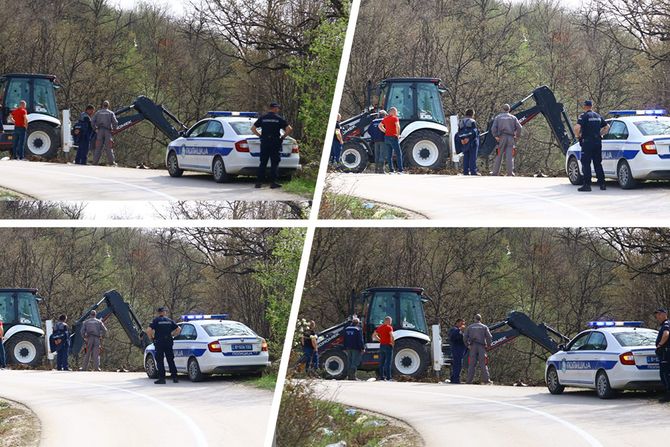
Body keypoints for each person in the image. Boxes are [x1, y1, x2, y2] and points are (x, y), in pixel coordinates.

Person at [252, 102, 293, 189]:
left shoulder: (263, 118)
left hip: (265, 142)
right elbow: (289, 129)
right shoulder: (278, 119)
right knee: (274, 163)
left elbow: (253, 128)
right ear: (274, 108)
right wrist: (283, 137)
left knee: (263, 162)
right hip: (275, 142)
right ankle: (273, 183)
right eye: (277, 108)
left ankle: (258, 183)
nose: (278, 110)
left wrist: (260, 136)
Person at [574, 100, 609, 192]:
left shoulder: (583, 116)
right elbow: (607, 127)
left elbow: (577, 128)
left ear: (585, 107)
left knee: (586, 163)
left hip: (587, 143)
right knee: (598, 163)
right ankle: (602, 184)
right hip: (597, 142)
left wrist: (578, 136)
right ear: (592, 106)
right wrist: (600, 134)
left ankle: (587, 185)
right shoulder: (598, 116)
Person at [146, 306, 181, 384]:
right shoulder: (170, 321)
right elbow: (179, 329)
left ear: (159, 313)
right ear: (165, 312)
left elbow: (148, 330)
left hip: (159, 342)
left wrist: (152, 338)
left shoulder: (156, 321)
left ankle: (162, 379)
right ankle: (175, 377)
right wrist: (173, 336)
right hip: (168, 342)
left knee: (160, 360)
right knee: (170, 360)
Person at [491, 104, 522, 176]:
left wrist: (495, 136)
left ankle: (495, 173)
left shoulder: (498, 117)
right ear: (509, 109)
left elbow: (493, 128)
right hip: (510, 138)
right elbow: (519, 127)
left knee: (499, 154)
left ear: (502, 109)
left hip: (501, 137)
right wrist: (517, 136)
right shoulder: (513, 117)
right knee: (510, 155)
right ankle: (510, 173)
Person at [463, 314, 493, 384]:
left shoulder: (470, 327)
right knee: (483, 364)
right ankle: (486, 380)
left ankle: (469, 381)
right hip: (481, 347)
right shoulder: (484, 327)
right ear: (481, 319)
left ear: (474, 319)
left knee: (471, 364)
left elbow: (464, 337)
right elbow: (489, 337)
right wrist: (489, 345)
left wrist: (467, 345)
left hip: (472, 346)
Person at [91, 100, 119, 166]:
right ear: (108, 105)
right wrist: (114, 129)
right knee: (109, 147)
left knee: (98, 147)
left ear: (102, 105)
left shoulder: (98, 113)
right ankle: (112, 162)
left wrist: (95, 129)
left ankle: (95, 162)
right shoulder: (111, 113)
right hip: (107, 131)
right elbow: (115, 122)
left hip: (99, 131)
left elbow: (92, 121)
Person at [379, 107, 403, 174]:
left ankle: (391, 170)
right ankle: (400, 170)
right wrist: (398, 135)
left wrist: (385, 131)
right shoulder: (395, 118)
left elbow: (380, 126)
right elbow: (398, 126)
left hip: (386, 137)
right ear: (392, 112)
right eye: (395, 111)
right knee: (398, 154)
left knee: (389, 155)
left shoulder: (385, 119)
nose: (396, 113)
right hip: (393, 137)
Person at [457, 109, 480, 176]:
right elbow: (475, 132)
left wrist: (462, 139)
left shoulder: (461, 121)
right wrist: (468, 138)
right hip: (472, 141)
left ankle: (465, 171)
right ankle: (473, 171)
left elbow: (459, 132)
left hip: (463, 141)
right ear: (472, 114)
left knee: (466, 156)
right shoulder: (472, 121)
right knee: (473, 157)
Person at [654, 308, 670, 402]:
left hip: (665, 352)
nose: (658, 317)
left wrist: (660, 345)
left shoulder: (666, 324)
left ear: (664, 314)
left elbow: (666, 334)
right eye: (657, 315)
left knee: (665, 374)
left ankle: (668, 395)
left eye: (659, 314)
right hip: (665, 352)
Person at [373, 316, 394, 381]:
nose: (391, 322)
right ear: (387, 321)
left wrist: (380, 340)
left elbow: (374, 335)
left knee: (381, 362)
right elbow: (392, 336)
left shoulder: (380, 327)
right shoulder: (389, 327)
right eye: (390, 321)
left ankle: (381, 377)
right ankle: (388, 377)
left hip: (382, 345)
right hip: (388, 345)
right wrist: (392, 344)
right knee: (388, 362)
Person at [448, 318, 467, 384]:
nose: (463, 325)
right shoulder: (453, 329)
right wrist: (459, 330)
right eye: (461, 324)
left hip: (461, 350)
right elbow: (453, 337)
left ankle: (453, 378)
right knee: (457, 365)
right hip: (456, 350)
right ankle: (456, 380)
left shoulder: (462, 331)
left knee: (458, 365)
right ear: (457, 323)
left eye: (464, 324)